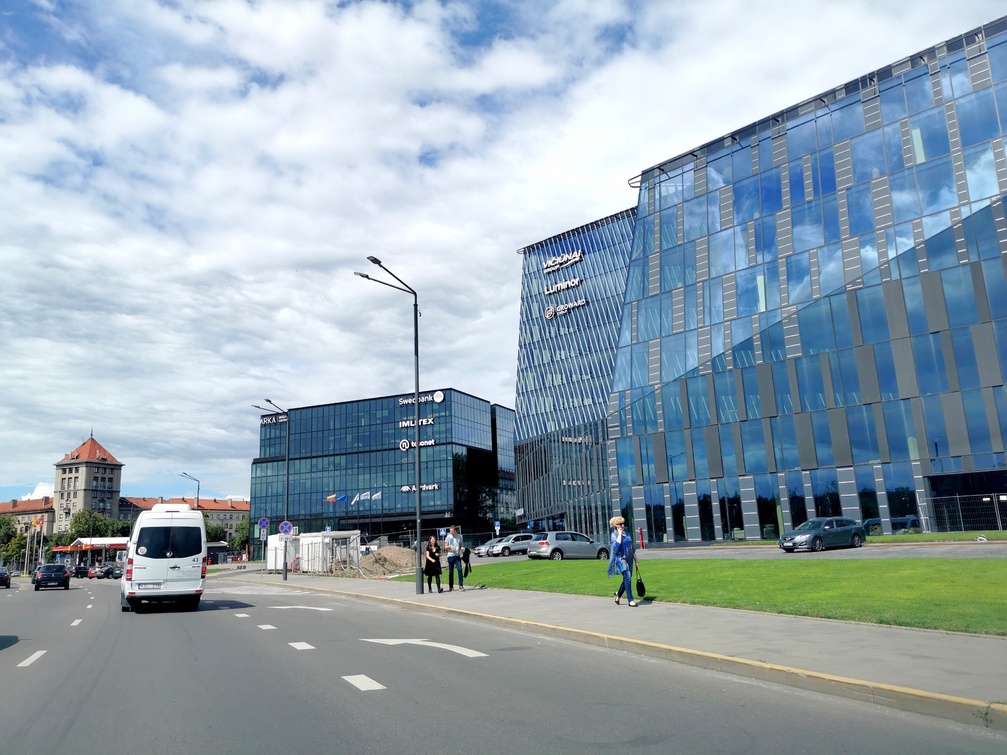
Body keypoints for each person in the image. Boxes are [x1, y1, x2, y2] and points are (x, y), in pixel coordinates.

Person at [607, 515, 637, 606]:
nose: (622, 525)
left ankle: (618, 595)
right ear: (615, 526)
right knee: (627, 577)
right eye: (620, 524)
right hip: (621, 559)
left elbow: (632, 548)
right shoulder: (614, 535)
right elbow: (616, 548)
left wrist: (636, 560)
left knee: (627, 579)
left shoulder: (627, 533)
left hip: (629, 559)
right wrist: (619, 534)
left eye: (623, 523)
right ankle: (630, 600)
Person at [445, 525, 464, 591]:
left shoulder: (460, 536)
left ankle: (461, 585)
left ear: (455, 531)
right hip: (450, 555)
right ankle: (451, 586)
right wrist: (450, 547)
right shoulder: (448, 537)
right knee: (451, 571)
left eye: (452, 531)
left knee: (460, 569)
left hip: (457, 555)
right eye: (450, 531)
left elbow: (460, 545)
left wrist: (462, 548)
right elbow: (445, 547)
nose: (451, 532)